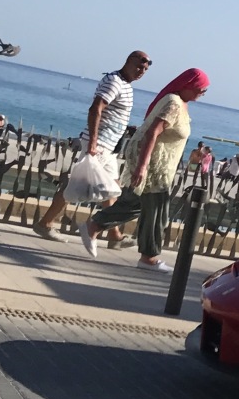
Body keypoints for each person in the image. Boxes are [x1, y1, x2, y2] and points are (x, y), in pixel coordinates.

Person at [81, 68, 209, 272]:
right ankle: (148, 257)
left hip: (158, 161)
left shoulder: (179, 102)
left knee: (136, 202)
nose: (203, 93)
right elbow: (153, 132)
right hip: (153, 162)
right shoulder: (173, 103)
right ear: (189, 85)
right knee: (157, 209)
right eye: (201, 89)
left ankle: (94, 226)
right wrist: (142, 165)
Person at [34, 50, 152, 241]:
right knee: (77, 185)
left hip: (109, 146)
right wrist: (93, 143)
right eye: (139, 65)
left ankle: (114, 234)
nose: (142, 71)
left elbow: (112, 113)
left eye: (145, 69)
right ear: (128, 61)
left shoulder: (126, 86)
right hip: (99, 144)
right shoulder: (114, 81)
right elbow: (96, 109)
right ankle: (45, 224)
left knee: (113, 187)